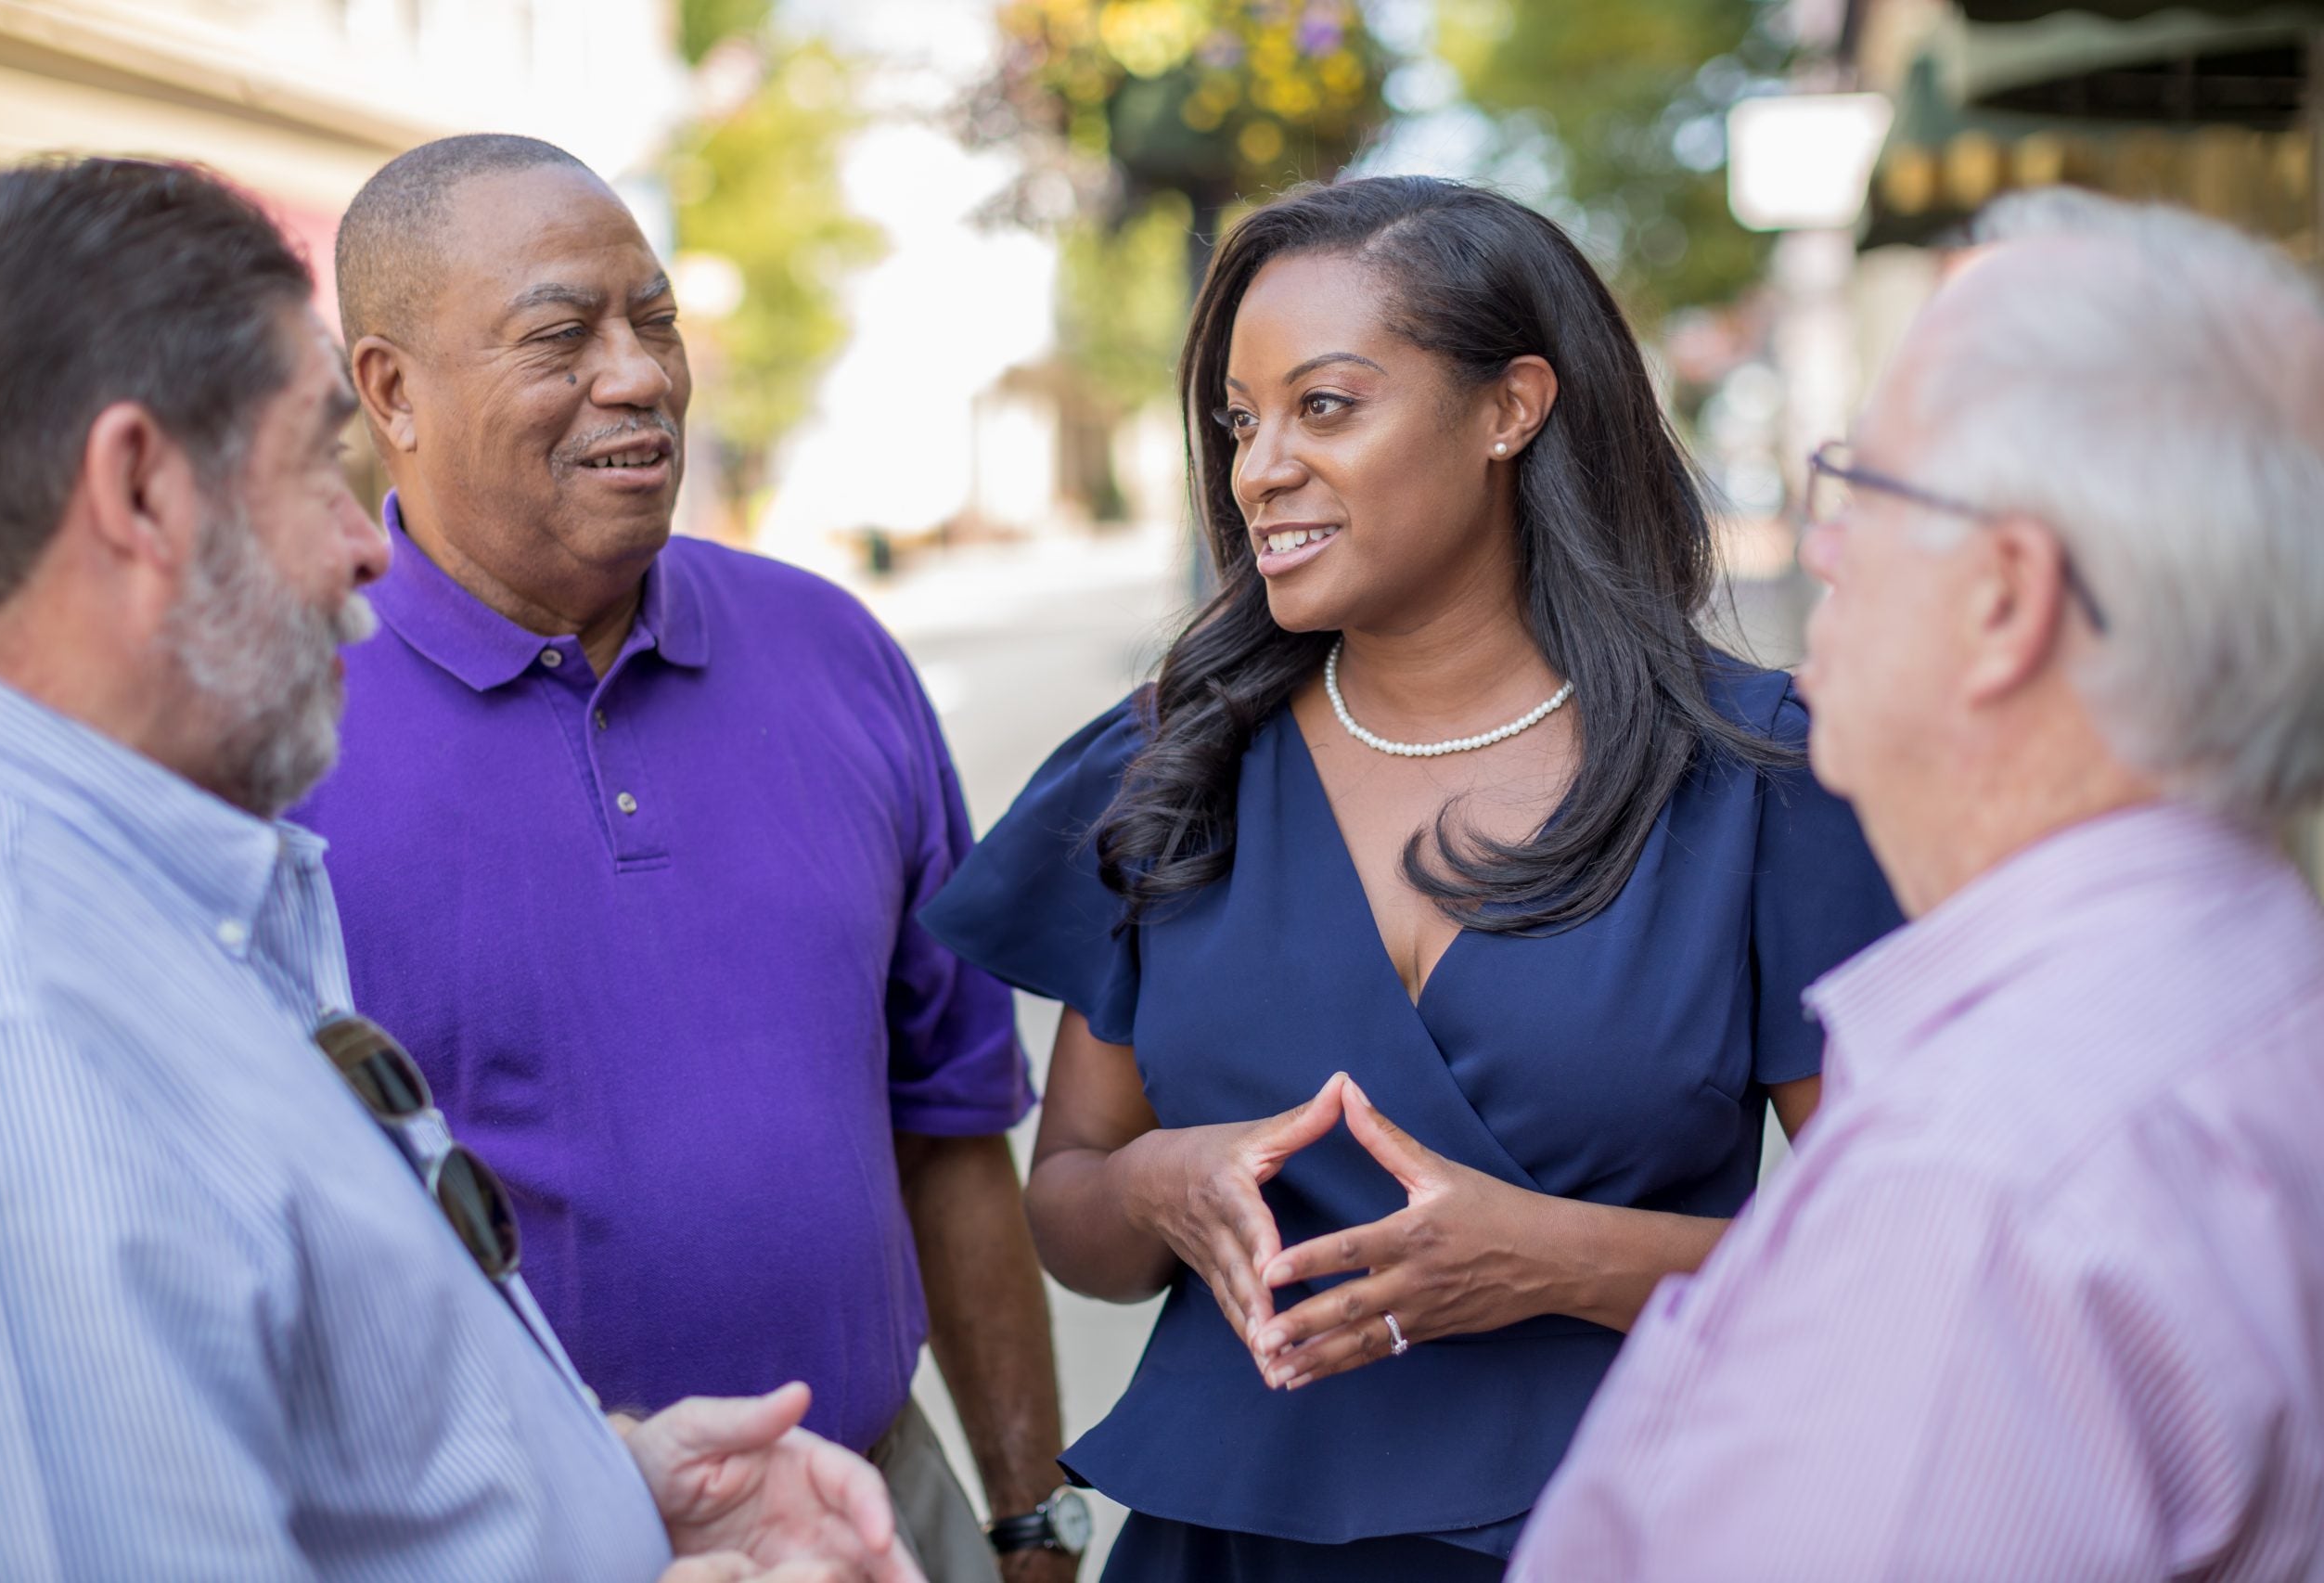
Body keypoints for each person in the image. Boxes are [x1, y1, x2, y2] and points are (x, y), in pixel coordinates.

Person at [918, 174, 1904, 1580]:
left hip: (1639, 1530)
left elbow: (1901, 1257)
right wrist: (1159, 1185)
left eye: (1326, 406)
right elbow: (1073, 1203)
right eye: (1241, 421)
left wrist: (1555, 1260)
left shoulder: (1758, 779)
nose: (1260, 467)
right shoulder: (1169, 766)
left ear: (1511, 407)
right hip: (1228, 1547)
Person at [0, 155, 918, 1583]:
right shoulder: (20, 1016)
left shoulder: (164, 882)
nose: (362, 545)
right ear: (140, 490)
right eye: (312, 465)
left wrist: (609, 1493)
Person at [289, 135, 1072, 1583]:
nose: (640, 374)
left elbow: (952, 1123)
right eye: (560, 334)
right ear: (389, 389)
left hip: (880, 1509)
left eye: (651, 319)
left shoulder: (836, 652)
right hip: (507, 1549)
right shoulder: (278, 729)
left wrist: (1027, 1523)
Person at [1510, 192, 2324, 1579]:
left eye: (1866, 489)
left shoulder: (1983, 1191)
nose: (1820, 547)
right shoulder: (2258, 980)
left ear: (2006, 599)